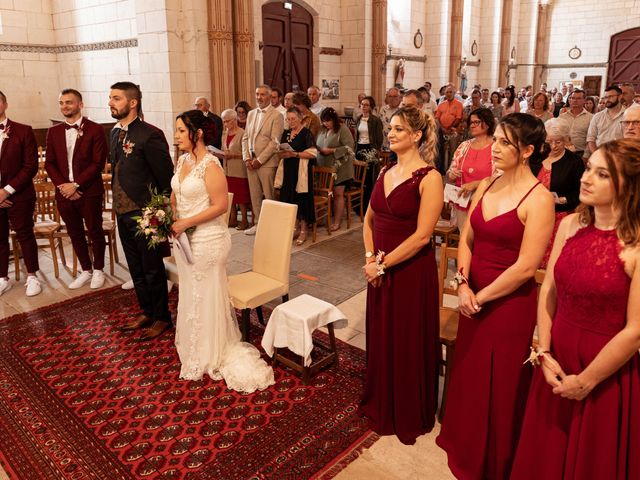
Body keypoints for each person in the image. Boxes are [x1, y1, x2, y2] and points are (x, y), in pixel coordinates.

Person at [511, 139, 640, 479]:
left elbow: (635, 330)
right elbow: (549, 290)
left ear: (627, 185)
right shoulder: (569, 225)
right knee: (545, 455)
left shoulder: (637, 246)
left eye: (602, 174)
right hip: (556, 356)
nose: (586, 178)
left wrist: (586, 381)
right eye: (588, 169)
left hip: (604, 370)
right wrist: (543, 349)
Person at [437, 113, 555, 479]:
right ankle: (464, 440)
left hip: (508, 305)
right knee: (470, 373)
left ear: (527, 151)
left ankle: (496, 455)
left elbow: (526, 266)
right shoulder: (487, 185)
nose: (496, 149)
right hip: (474, 294)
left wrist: (481, 295)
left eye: (505, 143)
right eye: (498, 141)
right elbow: (468, 238)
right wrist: (462, 283)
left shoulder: (540, 199)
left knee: (500, 383)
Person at [171, 109, 274, 392]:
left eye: (181, 131)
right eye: (176, 130)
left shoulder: (211, 165)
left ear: (198, 133)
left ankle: (212, 349)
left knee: (206, 292)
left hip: (208, 240)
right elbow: (176, 193)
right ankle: (196, 342)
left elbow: (219, 207)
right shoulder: (182, 161)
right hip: (184, 238)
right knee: (191, 291)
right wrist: (167, 218)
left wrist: (186, 222)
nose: (176, 135)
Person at [360, 106, 443, 445]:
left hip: (410, 272)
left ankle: (408, 408)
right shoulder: (384, 173)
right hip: (377, 268)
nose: (390, 134)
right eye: (391, 128)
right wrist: (370, 259)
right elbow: (368, 220)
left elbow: (423, 236)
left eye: (398, 129)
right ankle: (381, 398)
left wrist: (383, 264)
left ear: (417, 135)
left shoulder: (430, 177)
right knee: (381, 334)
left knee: (407, 338)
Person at [109, 81, 174, 340]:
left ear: (132, 102)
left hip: (146, 213)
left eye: (116, 98)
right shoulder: (114, 133)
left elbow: (166, 179)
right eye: (110, 98)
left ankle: (162, 317)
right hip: (122, 212)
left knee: (152, 268)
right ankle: (147, 310)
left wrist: (158, 215)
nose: (111, 102)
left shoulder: (150, 134)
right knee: (135, 267)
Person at [45, 88, 108, 290]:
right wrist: (64, 187)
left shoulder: (95, 129)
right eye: (62, 103)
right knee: (75, 233)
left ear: (80, 104)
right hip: (64, 193)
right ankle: (86, 270)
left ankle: (99, 269)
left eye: (69, 102)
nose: (65, 106)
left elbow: (98, 163)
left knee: (94, 230)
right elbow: (50, 163)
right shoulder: (53, 132)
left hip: (89, 191)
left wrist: (77, 185)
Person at [0, 90, 40, 297]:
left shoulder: (23, 131)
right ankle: (2, 278)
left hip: (20, 195)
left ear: (5, 104)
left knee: (25, 235)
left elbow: (30, 166)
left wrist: (6, 191)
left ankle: (32, 276)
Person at [530, 118, 584, 268]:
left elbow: (579, 193)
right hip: (533, 215)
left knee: (554, 261)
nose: (553, 146)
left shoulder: (574, 162)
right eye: (549, 142)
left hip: (560, 217)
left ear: (566, 140)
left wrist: (563, 200)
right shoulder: (536, 157)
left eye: (558, 142)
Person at [240, 85, 284, 236]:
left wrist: (259, 160)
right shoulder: (251, 114)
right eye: (257, 94)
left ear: (270, 96)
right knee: (255, 195)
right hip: (250, 161)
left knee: (269, 195)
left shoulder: (277, 115)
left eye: (263, 95)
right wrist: (246, 158)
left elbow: (274, 142)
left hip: (266, 162)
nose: (259, 97)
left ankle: (272, 226)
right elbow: (245, 137)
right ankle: (258, 224)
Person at [447, 108, 495, 231]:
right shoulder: (464, 146)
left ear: (488, 123)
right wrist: (452, 174)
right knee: (465, 239)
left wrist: (476, 184)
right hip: (462, 201)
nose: (472, 125)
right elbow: (450, 171)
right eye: (471, 122)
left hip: (486, 204)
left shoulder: (496, 147)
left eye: (477, 122)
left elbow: (502, 177)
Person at [275, 108, 317, 246]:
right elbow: (281, 150)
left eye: (293, 119)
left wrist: (295, 154)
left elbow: (312, 153)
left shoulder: (306, 133)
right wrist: (281, 152)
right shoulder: (286, 133)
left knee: (301, 200)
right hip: (288, 171)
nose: (291, 121)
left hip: (301, 173)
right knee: (289, 198)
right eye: (288, 119)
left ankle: (304, 230)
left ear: (300, 119)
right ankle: (294, 227)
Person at [316, 107, 355, 230]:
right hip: (325, 166)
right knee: (324, 192)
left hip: (341, 167)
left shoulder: (343, 129)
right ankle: (323, 219)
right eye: (323, 121)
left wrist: (332, 150)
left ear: (334, 119)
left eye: (328, 121)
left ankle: (337, 222)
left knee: (338, 194)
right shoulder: (322, 129)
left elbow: (350, 147)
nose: (325, 123)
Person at [220, 109, 251, 230]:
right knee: (230, 195)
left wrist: (232, 155)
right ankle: (232, 218)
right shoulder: (225, 133)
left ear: (234, 120)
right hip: (227, 168)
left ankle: (244, 220)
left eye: (227, 121)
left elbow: (246, 153)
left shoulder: (242, 133)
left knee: (241, 196)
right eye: (224, 121)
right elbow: (225, 149)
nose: (225, 124)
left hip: (239, 169)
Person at [355, 96, 384, 211]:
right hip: (359, 148)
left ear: (371, 107)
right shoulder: (358, 118)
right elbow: (356, 136)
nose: (364, 107)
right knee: (359, 176)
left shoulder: (375, 120)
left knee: (368, 178)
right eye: (362, 104)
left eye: (367, 105)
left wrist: (374, 152)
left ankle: (369, 204)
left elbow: (379, 139)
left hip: (370, 148)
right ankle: (359, 205)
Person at [587, 85, 625, 154]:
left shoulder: (628, 115)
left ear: (619, 97)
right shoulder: (597, 116)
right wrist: (597, 155)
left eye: (610, 97)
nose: (607, 100)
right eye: (605, 97)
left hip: (620, 157)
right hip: (600, 155)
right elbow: (591, 139)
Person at [559, 88, 592, 159]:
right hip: (562, 152)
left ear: (584, 101)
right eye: (572, 98)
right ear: (569, 100)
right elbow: (557, 133)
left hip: (580, 153)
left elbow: (591, 138)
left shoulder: (591, 118)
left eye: (578, 98)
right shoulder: (562, 117)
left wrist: (586, 156)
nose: (575, 100)